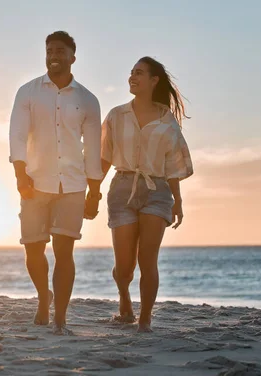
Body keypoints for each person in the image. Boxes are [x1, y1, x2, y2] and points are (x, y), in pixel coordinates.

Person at [8, 31, 103, 335]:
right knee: (33, 250)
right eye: (49, 50)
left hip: (72, 186)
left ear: (72, 57)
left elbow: (93, 149)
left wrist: (95, 191)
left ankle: (60, 316)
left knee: (65, 252)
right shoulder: (28, 92)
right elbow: (18, 136)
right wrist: (20, 176)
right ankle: (42, 299)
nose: (53, 55)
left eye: (60, 50)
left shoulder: (88, 100)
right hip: (35, 182)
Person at [99, 57, 193, 333]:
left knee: (148, 259)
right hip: (122, 189)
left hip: (157, 191)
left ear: (154, 81)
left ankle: (145, 319)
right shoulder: (116, 116)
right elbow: (104, 157)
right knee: (124, 267)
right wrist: (92, 192)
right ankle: (124, 296)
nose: (132, 77)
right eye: (131, 72)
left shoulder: (167, 122)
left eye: (139, 73)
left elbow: (173, 166)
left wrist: (178, 201)